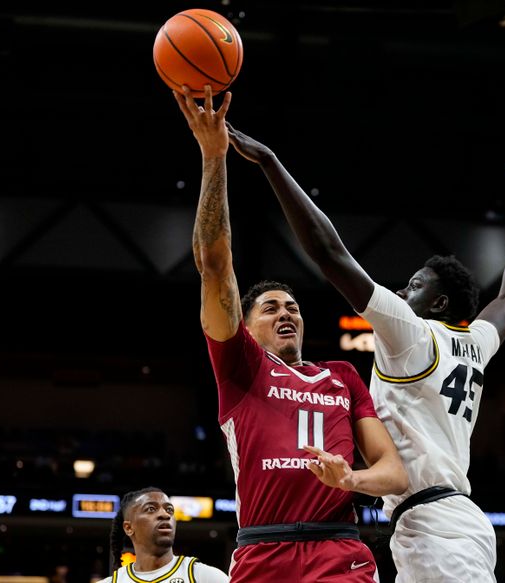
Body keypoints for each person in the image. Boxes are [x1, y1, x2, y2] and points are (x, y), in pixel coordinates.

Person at [224, 120, 505, 582]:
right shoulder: (474, 342)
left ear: (439, 304)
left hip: (434, 527)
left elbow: (329, 252)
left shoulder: (411, 333)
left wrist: (269, 162)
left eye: (415, 286)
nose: (403, 292)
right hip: (446, 521)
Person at [172, 85, 408, 583]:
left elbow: (395, 472)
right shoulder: (241, 368)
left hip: (337, 547)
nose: (287, 314)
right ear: (246, 324)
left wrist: (353, 478)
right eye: (271, 307)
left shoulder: (342, 375)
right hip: (263, 550)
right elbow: (214, 265)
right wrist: (214, 157)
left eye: (294, 307)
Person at [98, 487, 229, 583]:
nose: (165, 515)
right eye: (151, 509)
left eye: (169, 510)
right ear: (128, 528)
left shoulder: (205, 577)